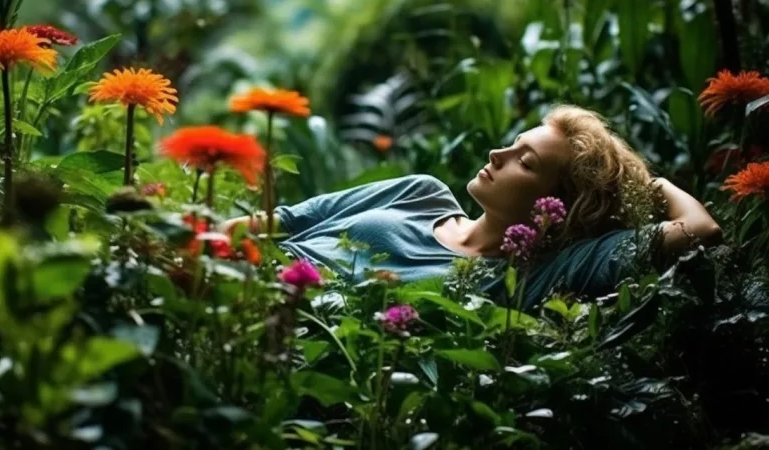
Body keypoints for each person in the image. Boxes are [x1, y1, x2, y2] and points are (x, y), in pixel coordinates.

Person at [221, 104, 722, 308]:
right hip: (220, 269)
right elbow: (283, 222)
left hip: (275, 321)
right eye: (513, 143)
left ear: (561, 205)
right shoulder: (419, 192)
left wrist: (646, 184)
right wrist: (199, 237)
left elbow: (700, 230)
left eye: (523, 161)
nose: (496, 155)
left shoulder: (540, 273)